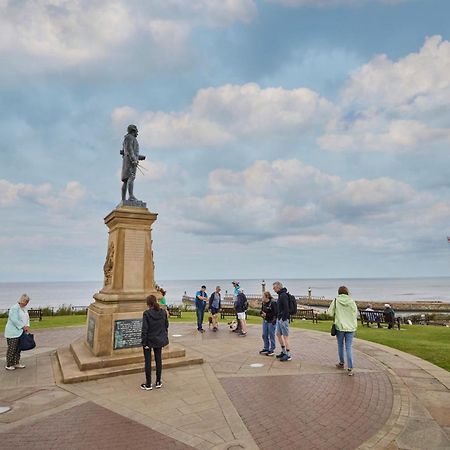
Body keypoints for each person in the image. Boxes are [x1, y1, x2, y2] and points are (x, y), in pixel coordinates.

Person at [327, 286, 358, 376]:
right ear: (347, 292)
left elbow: (330, 313)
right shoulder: (351, 301)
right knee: (349, 347)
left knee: (340, 345)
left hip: (340, 326)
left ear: (339, 292)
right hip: (351, 327)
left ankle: (341, 363)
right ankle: (350, 367)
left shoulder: (336, 300)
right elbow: (355, 313)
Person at [141, 295, 169, 390]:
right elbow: (166, 325)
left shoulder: (147, 313)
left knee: (148, 362)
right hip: (159, 339)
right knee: (158, 360)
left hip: (149, 340)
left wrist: (144, 343)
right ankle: (158, 381)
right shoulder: (163, 312)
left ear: (148, 303)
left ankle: (148, 384)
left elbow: (144, 329)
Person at [4, 294, 30, 371]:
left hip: (21, 332)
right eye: (26, 301)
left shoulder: (24, 309)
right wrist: (23, 326)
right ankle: (9, 364)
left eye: (27, 302)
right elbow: (14, 319)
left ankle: (16, 362)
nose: (27, 303)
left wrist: (27, 326)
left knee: (18, 348)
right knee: (12, 349)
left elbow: (27, 318)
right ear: (22, 300)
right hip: (12, 332)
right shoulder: (14, 308)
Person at [120, 124, 145, 202]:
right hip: (130, 162)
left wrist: (139, 157)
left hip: (127, 161)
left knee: (126, 180)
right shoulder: (130, 137)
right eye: (136, 130)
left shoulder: (127, 138)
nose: (137, 132)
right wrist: (134, 159)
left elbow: (126, 151)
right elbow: (130, 149)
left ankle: (123, 199)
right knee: (131, 177)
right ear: (133, 130)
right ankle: (130, 196)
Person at [273, 281, 291, 361]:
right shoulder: (280, 295)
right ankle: (283, 351)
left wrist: (283, 318)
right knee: (278, 334)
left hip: (283, 319)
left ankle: (288, 354)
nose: (273, 289)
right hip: (279, 319)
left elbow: (286, 308)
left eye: (274, 288)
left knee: (285, 336)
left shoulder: (283, 295)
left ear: (278, 287)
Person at [260, 291, 278, 356]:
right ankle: (266, 348)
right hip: (265, 321)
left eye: (263, 296)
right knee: (264, 335)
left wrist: (266, 314)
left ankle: (272, 349)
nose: (262, 298)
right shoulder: (263, 303)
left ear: (267, 297)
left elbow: (275, 313)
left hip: (271, 321)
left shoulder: (273, 303)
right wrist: (262, 314)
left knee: (271, 335)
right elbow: (261, 311)